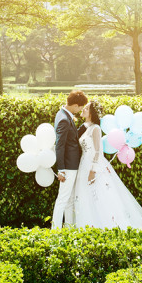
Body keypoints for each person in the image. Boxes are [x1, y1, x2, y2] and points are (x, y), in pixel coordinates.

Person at [71, 100, 142, 232]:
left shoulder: (96, 128)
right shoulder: (87, 127)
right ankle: (88, 227)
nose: (83, 110)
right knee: (86, 196)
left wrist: (93, 170)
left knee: (100, 195)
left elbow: (98, 151)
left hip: (92, 165)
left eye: (86, 108)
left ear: (91, 112)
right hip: (84, 163)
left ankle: (106, 226)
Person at [51, 90, 88, 229]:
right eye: (80, 107)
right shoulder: (64, 120)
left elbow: (72, 138)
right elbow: (59, 146)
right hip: (68, 166)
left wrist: (85, 126)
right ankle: (55, 230)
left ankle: (69, 227)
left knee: (69, 200)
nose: (80, 110)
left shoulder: (63, 114)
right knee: (63, 199)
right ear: (75, 105)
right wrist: (61, 169)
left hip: (71, 165)